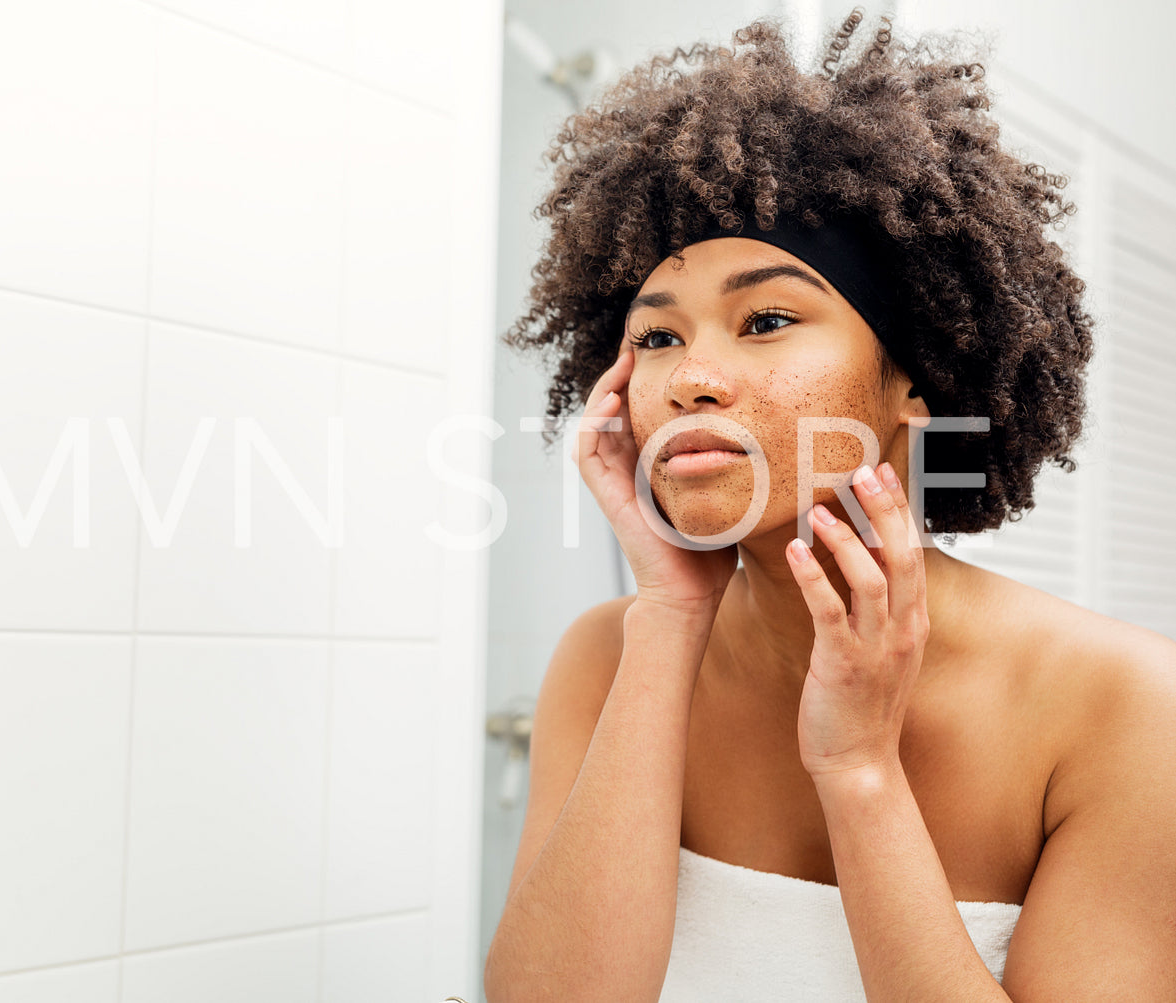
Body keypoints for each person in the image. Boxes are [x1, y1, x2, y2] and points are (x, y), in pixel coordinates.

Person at [483, 10, 1176, 1002]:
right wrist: (670, 618)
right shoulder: (605, 660)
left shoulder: (1120, 704)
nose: (691, 379)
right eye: (659, 337)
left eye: (765, 319)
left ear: (914, 381)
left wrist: (857, 769)